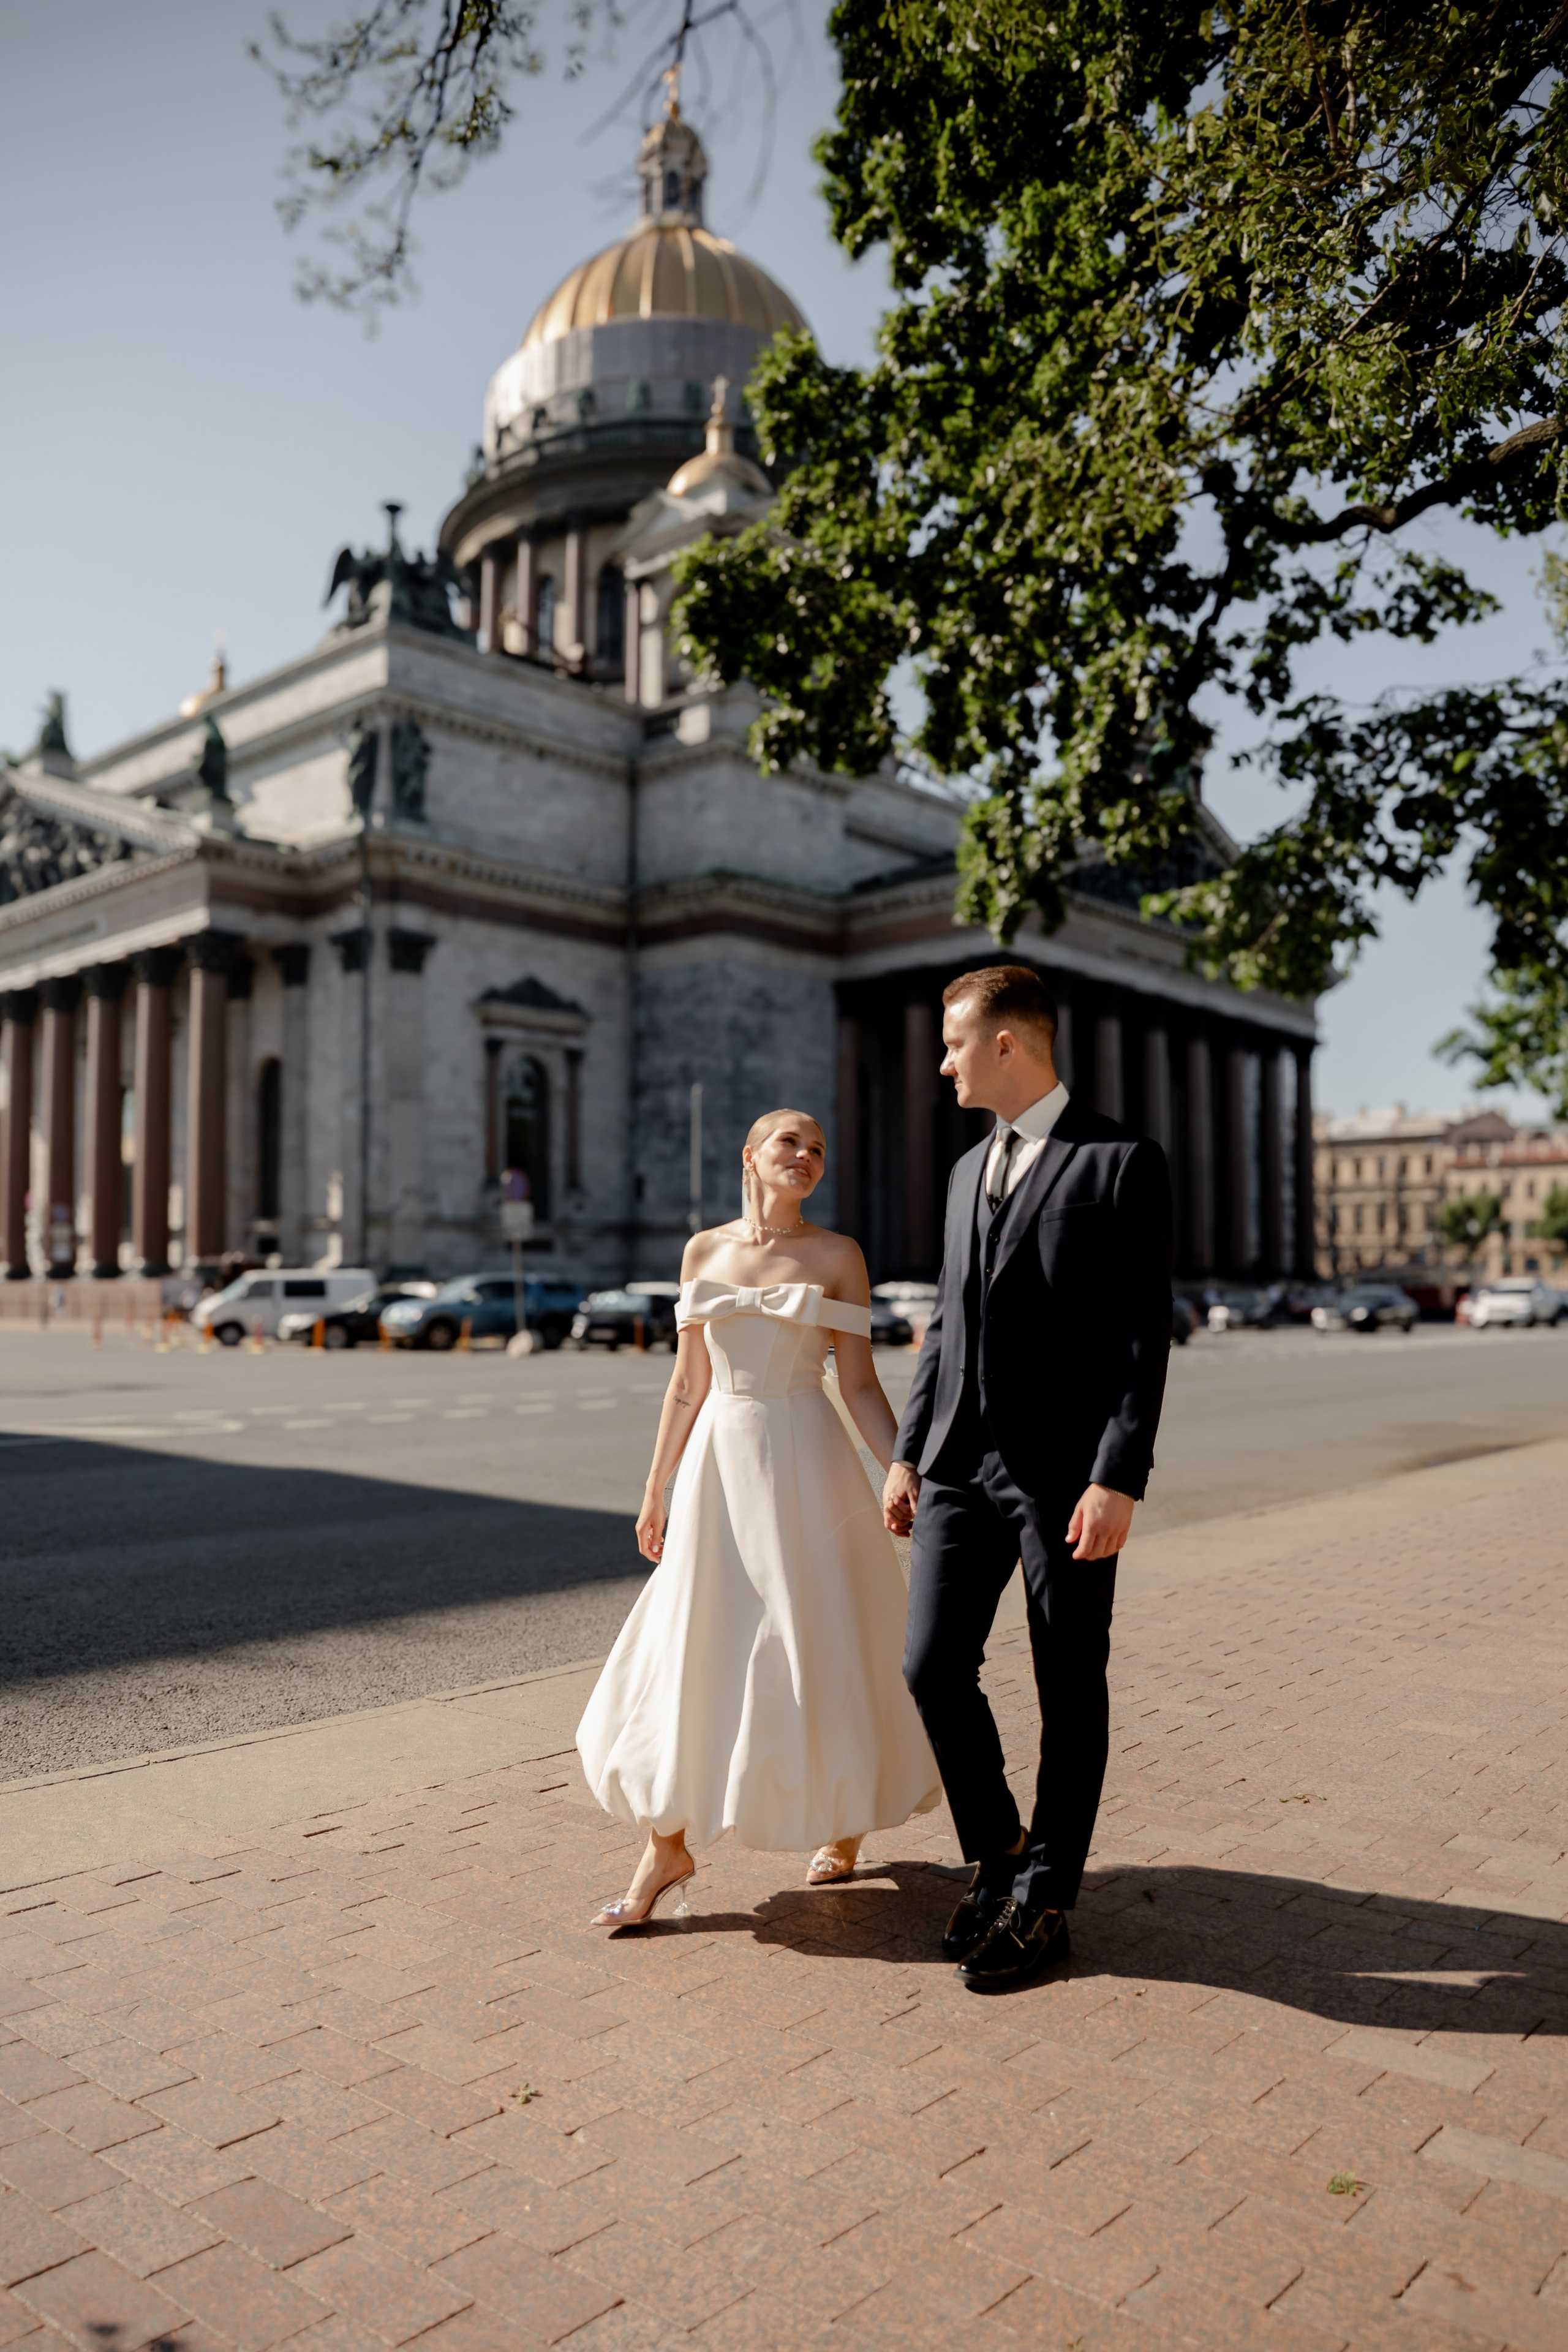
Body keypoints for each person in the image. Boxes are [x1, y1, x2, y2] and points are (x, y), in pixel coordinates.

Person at [577, 1108, 940, 1928]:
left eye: (818, 1149)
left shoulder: (839, 1255)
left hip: (807, 1456)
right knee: (698, 1640)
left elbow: (857, 1385)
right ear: (751, 1155)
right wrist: (655, 1486)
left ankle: (845, 1822)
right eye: (790, 1142)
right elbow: (685, 1384)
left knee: (822, 1635)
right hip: (718, 1463)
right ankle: (667, 1845)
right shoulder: (703, 1250)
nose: (806, 1156)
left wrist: (901, 1466)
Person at [884, 967, 1172, 1990]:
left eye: (956, 1043)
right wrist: (910, 1450)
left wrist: (1117, 1475)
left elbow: (1142, 1340)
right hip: (961, 1466)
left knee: (1067, 1683)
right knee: (928, 1666)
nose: (944, 1061)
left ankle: (1047, 1895)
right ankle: (999, 1849)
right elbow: (943, 1331)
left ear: (1007, 1044)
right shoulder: (966, 1173)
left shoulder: (1121, 1162)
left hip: (1064, 1477)